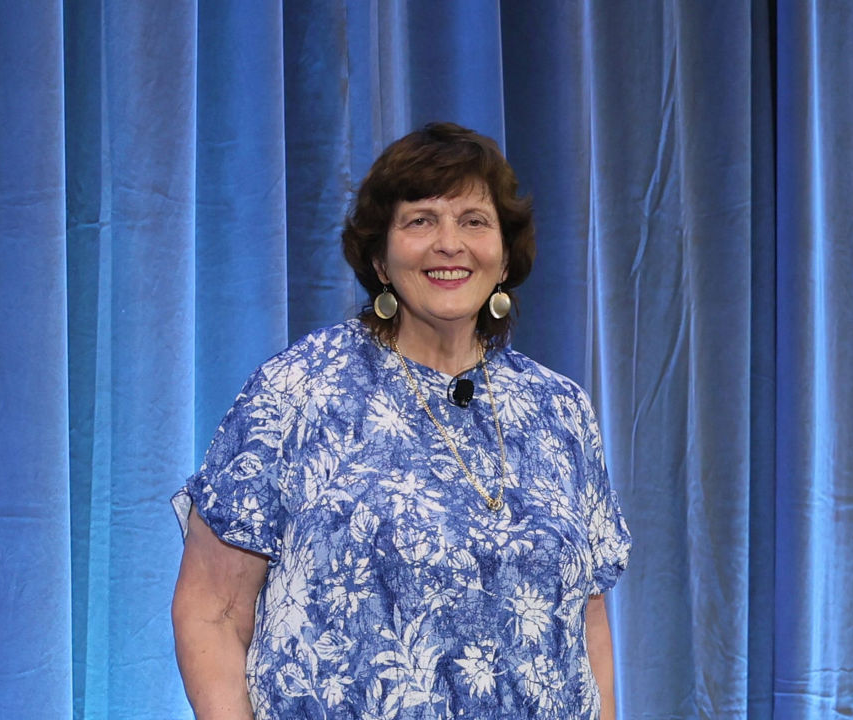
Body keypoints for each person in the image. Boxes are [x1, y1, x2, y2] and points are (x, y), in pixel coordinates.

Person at [171, 122, 630, 719]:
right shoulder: (297, 391)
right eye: (420, 220)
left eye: (474, 221)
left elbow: (586, 617)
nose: (449, 243)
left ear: (504, 255)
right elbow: (214, 608)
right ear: (381, 260)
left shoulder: (559, 410)